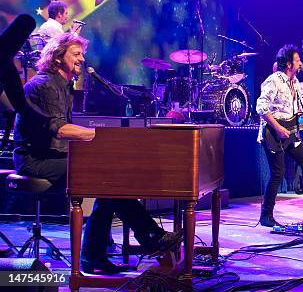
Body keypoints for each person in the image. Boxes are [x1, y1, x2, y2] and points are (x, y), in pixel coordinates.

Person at [13, 33, 180, 274]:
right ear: (58, 57)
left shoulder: (62, 85)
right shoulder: (45, 85)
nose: (82, 59)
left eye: (82, 54)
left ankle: (96, 254)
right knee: (106, 176)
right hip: (35, 161)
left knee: (108, 180)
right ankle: (147, 236)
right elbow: (59, 130)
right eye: (76, 54)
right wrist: (101, 137)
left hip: (54, 156)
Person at [255, 44, 303, 227]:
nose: (301, 63)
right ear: (289, 64)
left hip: (290, 132)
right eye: (298, 60)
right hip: (273, 133)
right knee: (278, 173)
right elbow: (261, 107)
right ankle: (266, 215)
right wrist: (277, 128)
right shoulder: (274, 80)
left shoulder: (296, 83)